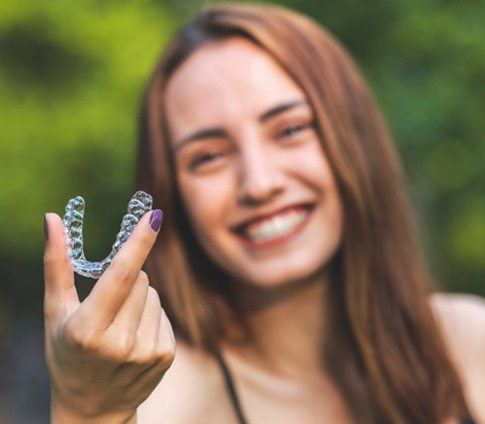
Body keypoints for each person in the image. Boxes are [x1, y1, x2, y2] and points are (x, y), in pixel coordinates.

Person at [43, 3, 485, 423]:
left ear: (357, 140)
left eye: (290, 129)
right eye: (209, 156)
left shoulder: (470, 341)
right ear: (171, 194)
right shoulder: (155, 401)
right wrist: (90, 414)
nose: (259, 183)